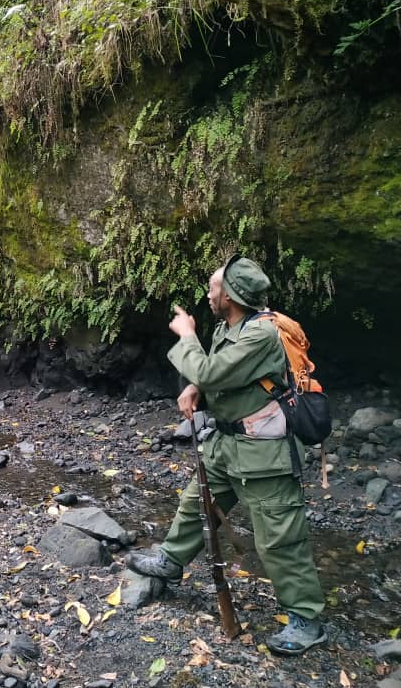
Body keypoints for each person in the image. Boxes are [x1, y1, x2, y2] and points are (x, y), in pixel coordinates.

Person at [126, 255, 326, 656]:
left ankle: (306, 620)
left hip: (263, 454)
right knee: (195, 505)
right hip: (225, 445)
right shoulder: (229, 328)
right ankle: (170, 562)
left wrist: (186, 335)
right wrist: (196, 389)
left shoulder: (260, 336)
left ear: (230, 296)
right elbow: (219, 376)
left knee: (279, 539)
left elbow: (214, 371)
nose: (209, 293)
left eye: (214, 288)